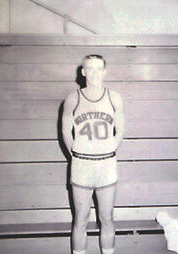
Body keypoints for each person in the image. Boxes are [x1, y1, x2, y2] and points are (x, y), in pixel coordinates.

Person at [62, 54, 125, 254]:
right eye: (90, 68)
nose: (95, 73)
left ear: (105, 71)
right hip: (82, 165)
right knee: (81, 219)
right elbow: (65, 131)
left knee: (107, 218)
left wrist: (110, 147)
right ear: (83, 71)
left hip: (106, 165)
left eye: (99, 69)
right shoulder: (73, 98)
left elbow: (120, 129)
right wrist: (76, 153)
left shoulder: (114, 97)